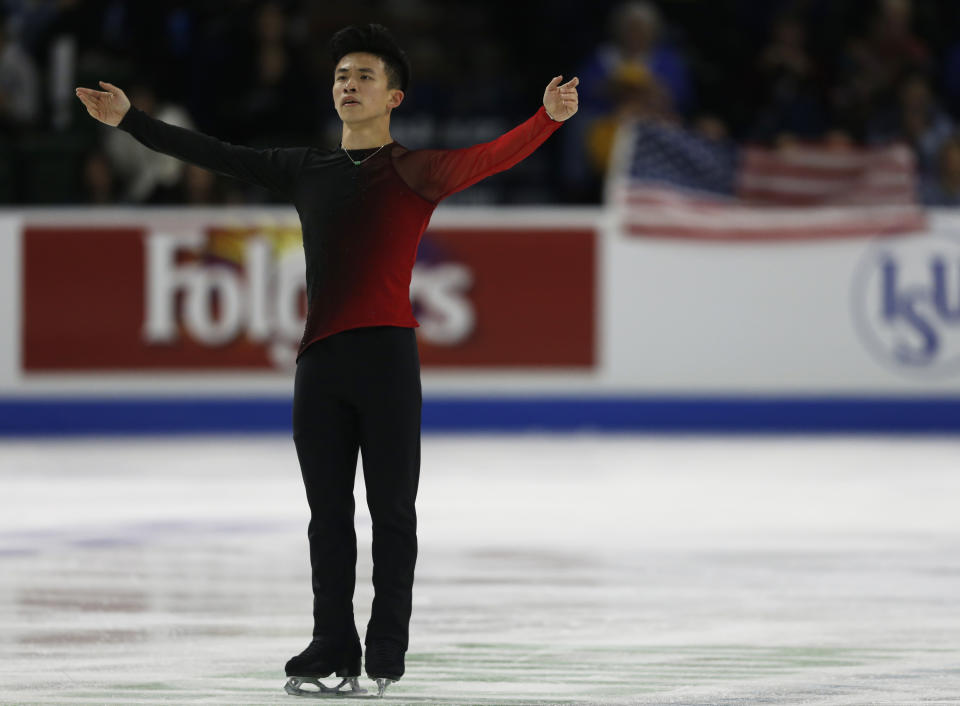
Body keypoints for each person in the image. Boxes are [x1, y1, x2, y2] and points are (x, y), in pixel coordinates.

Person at [75, 23, 578, 699]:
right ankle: (331, 639)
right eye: (343, 76)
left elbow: (491, 156)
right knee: (328, 514)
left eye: (365, 76)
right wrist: (131, 121)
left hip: (388, 359)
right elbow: (215, 153)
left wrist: (546, 120)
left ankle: (387, 645)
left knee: (392, 510)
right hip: (320, 363)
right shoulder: (303, 169)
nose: (350, 85)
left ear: (394, 96)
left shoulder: (415, 170)